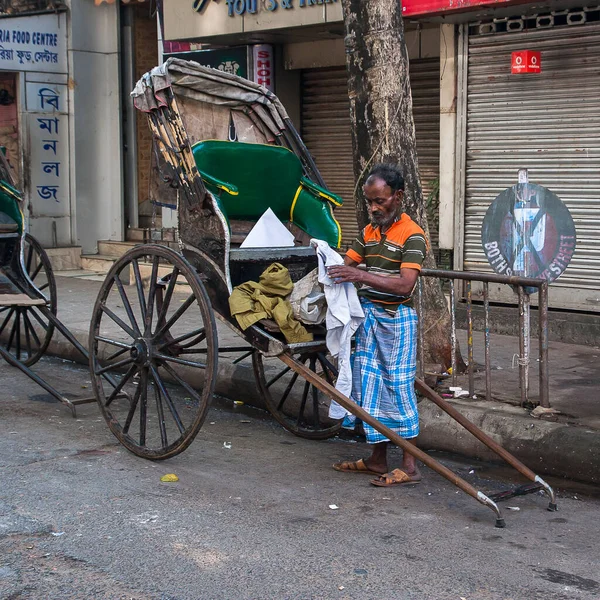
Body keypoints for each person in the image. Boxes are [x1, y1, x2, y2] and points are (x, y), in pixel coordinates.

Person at [327, 163, 427, 487]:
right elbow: (346, 263)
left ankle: (410, 466)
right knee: (371, 388)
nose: (373, 208)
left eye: (379, 201)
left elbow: (404, 285)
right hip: (370, 318)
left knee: (398, 390)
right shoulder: (370, 232)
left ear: (397, 197)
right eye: (369, 201)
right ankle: (377, 459)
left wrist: (359, 275)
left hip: (397, 321)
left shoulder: (412, 235)